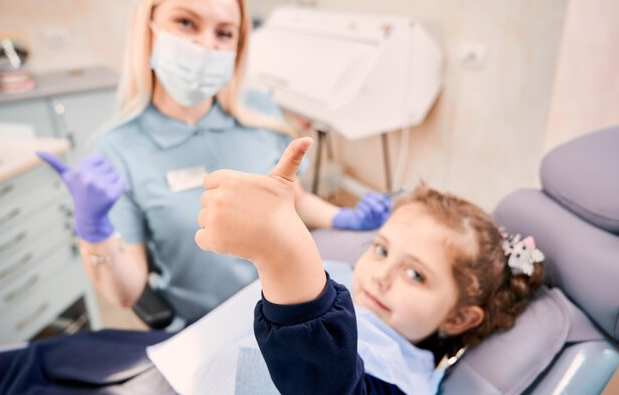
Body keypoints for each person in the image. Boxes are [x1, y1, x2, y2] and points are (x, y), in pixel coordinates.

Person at [37, 0, 392, 325]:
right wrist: (94, 232)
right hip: (207, 329)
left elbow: (293, 199)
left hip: (291, 311)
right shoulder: (118, 147)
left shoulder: (258, 110)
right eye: (186, 22)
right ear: (148, 29)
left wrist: (341, 217)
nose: (205, 45)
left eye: (224, 33)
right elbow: (127, 294)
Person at [194, 137, 546, 394]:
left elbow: (325, 380)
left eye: (416, 275)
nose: (381, 277)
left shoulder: (398, 383)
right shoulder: (356, 290)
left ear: (457, 318)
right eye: (380, 250)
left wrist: (282, 253)